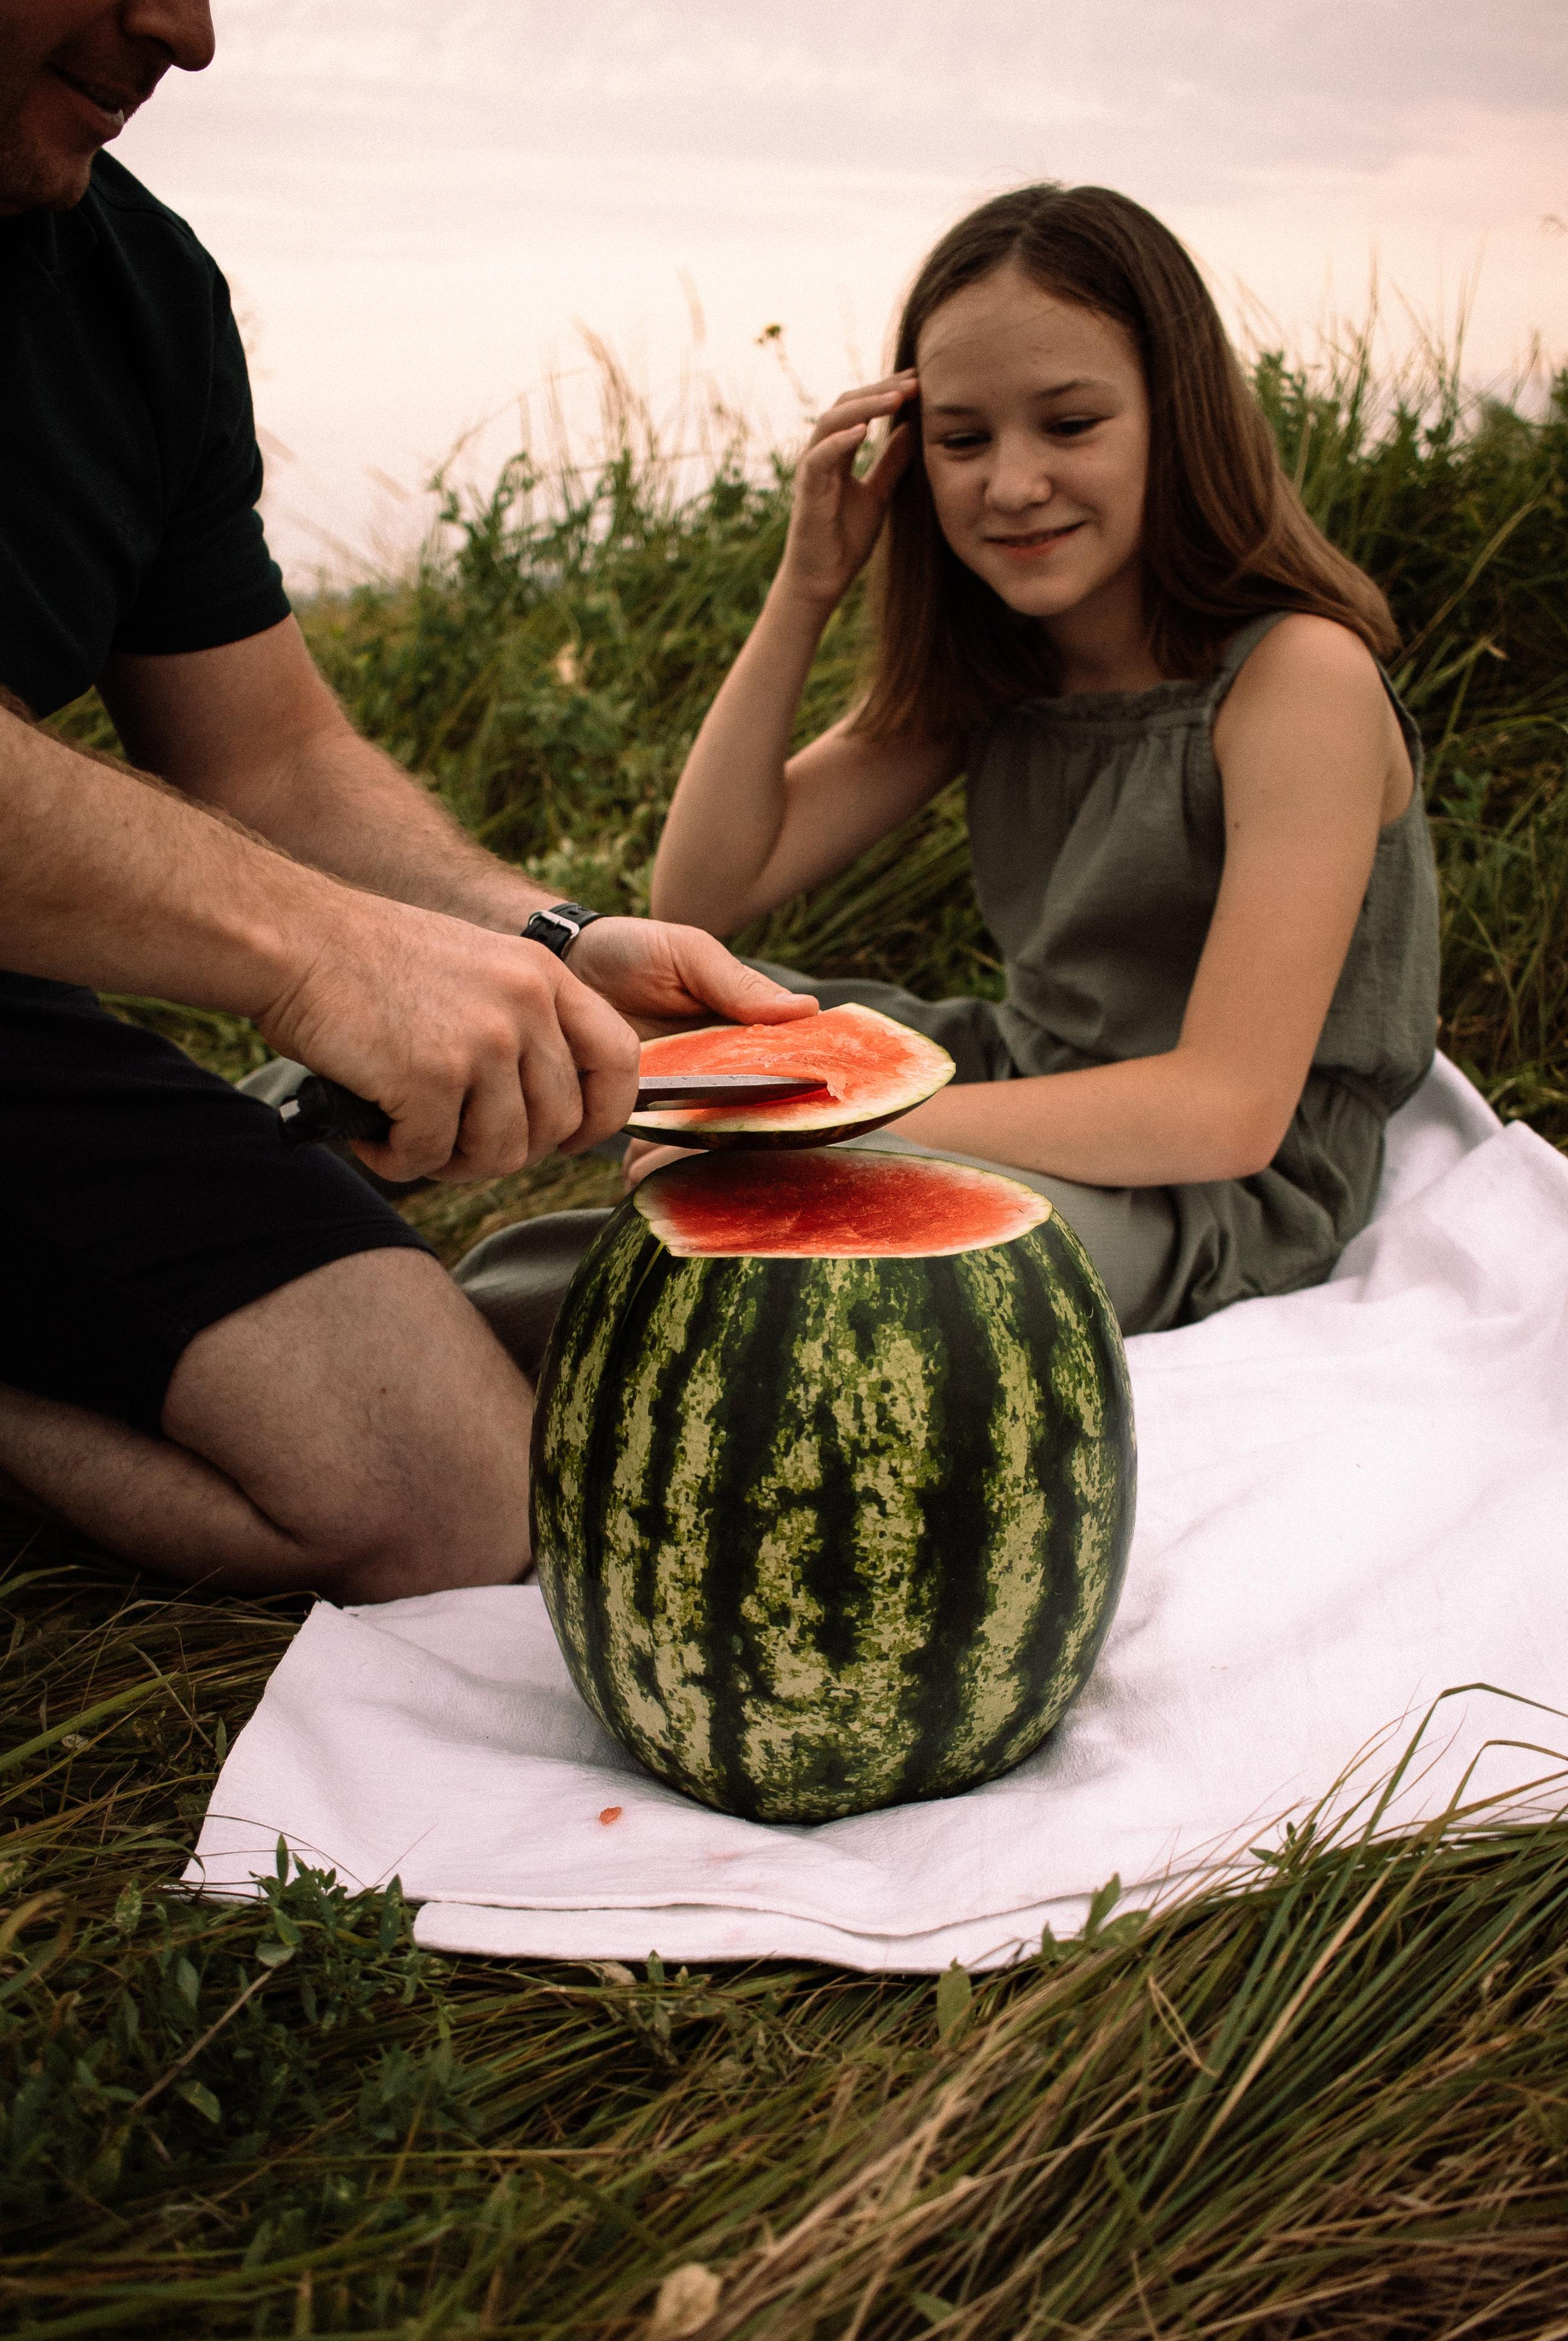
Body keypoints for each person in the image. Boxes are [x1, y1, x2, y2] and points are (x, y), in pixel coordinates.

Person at [0, 0, 813, 1602]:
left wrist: (547, 939)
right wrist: (322, 959)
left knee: (441, 1495)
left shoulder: (139, 294)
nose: (185, 29)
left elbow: (271, 758)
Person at [636, 182, 1441, 1331]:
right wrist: (806, 586)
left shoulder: (1298, 679)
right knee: (629, 1025)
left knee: (789, 1256)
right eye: (963, 440)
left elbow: (1226, 1112)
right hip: (1021, 1081)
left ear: (1179, 414)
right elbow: (702, 894)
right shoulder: (1001, 670)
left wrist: (827, 1116)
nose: (1011, 485)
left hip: (1211, 1190)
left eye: (1070, 425)